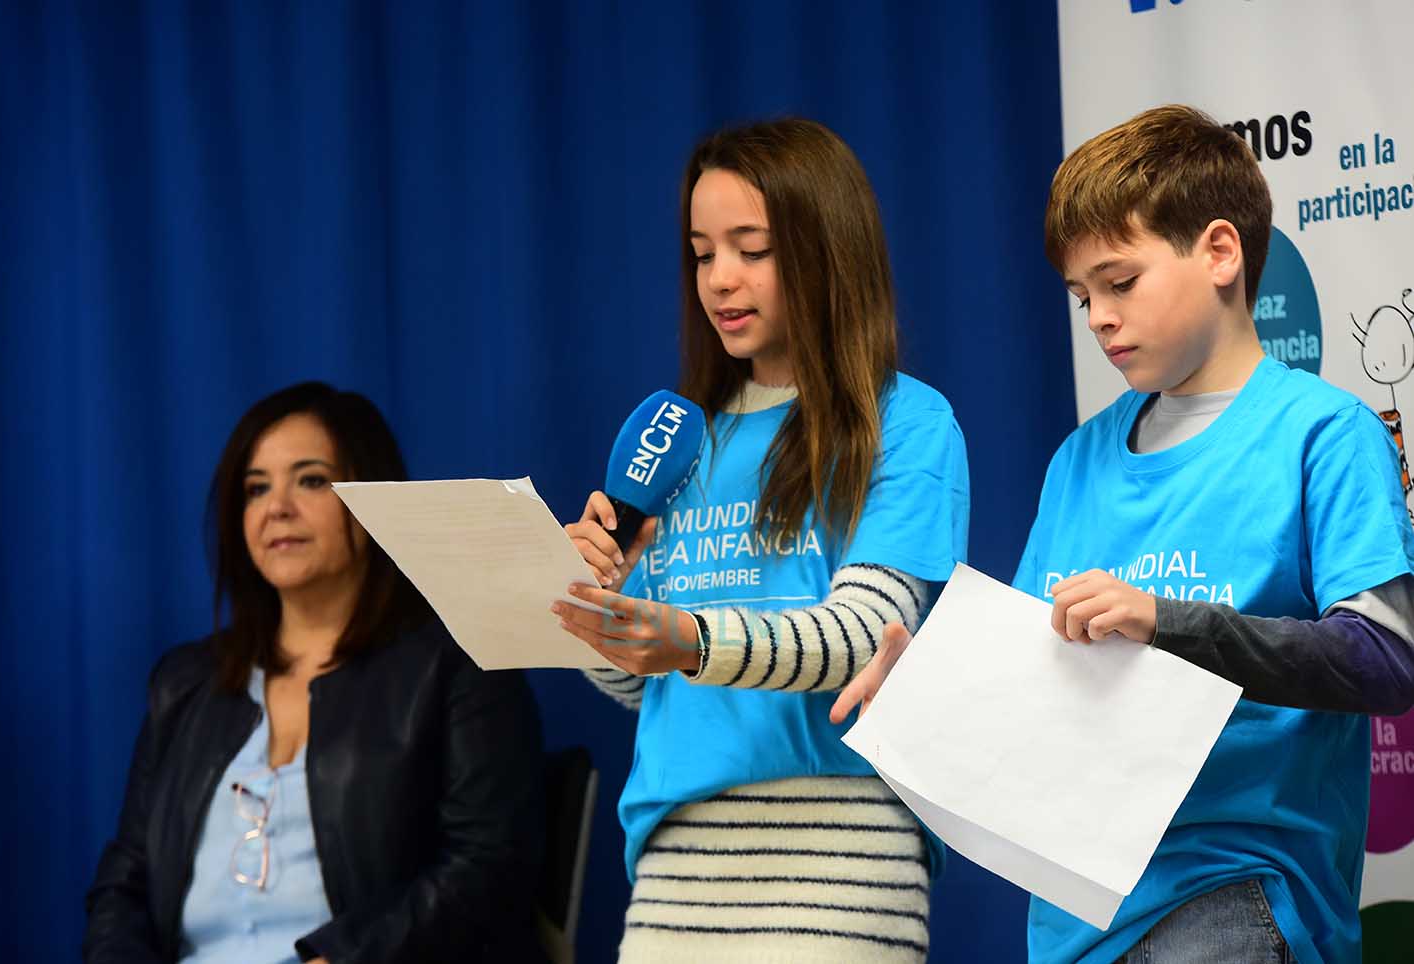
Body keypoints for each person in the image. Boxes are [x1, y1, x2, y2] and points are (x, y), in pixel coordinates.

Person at [836, 105, 1414, 964]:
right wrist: (924, 699)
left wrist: (1163, 622)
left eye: (1120, 282)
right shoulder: (1077, 460)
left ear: (1220, 253)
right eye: (1082, 296)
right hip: (1072, 925)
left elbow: (1384, 659)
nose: (1099, 317)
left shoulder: (1325, 434)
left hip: (1234, 899)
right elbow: (1035, 689)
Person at [552, 118, 970, 962]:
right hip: (676, 865)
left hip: (841, 855)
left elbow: (864, 637)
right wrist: (601, 606)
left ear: (826, 250)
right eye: (702, 253)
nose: (720, 279)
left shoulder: (905, 421)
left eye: (753, 249)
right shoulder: (677, 438)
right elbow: (644, 684)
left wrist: (692, 640)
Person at [84, 382, 547, 964]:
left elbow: (489, 866)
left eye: (310, 480)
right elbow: (124, 883)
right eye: (256, 488)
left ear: (371, 497)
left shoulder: (458, 663)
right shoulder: (185, 682)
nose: (277, 507)